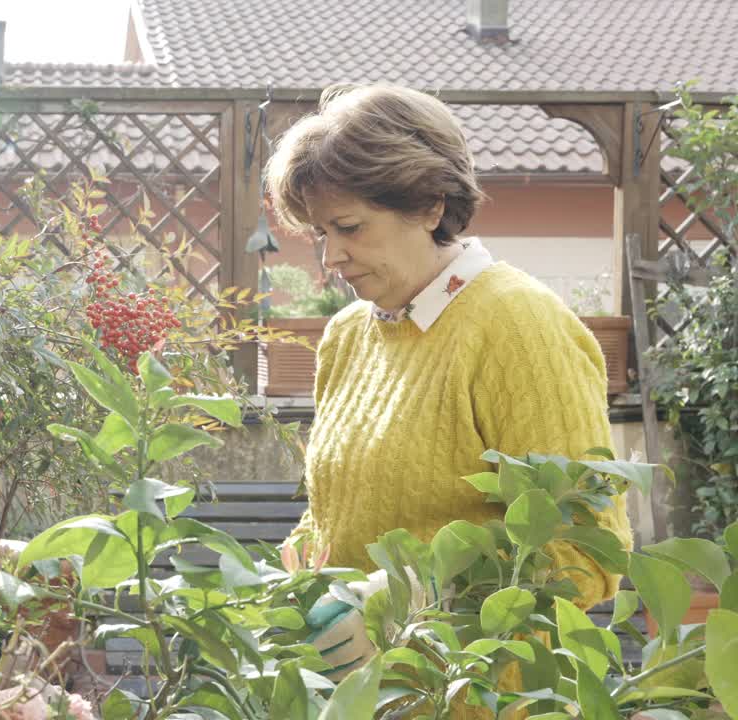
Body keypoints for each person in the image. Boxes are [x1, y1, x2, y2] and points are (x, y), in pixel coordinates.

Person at [263, 84, 633, 694]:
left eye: (350, 227)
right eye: (320, 233)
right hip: (362, 697)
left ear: (430, 206)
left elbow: (588, 553)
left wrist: (403, 601)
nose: (332, 256)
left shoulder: (519, 325)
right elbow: (338, 513)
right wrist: (303, 575)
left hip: (482, 701)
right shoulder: (347, 335)